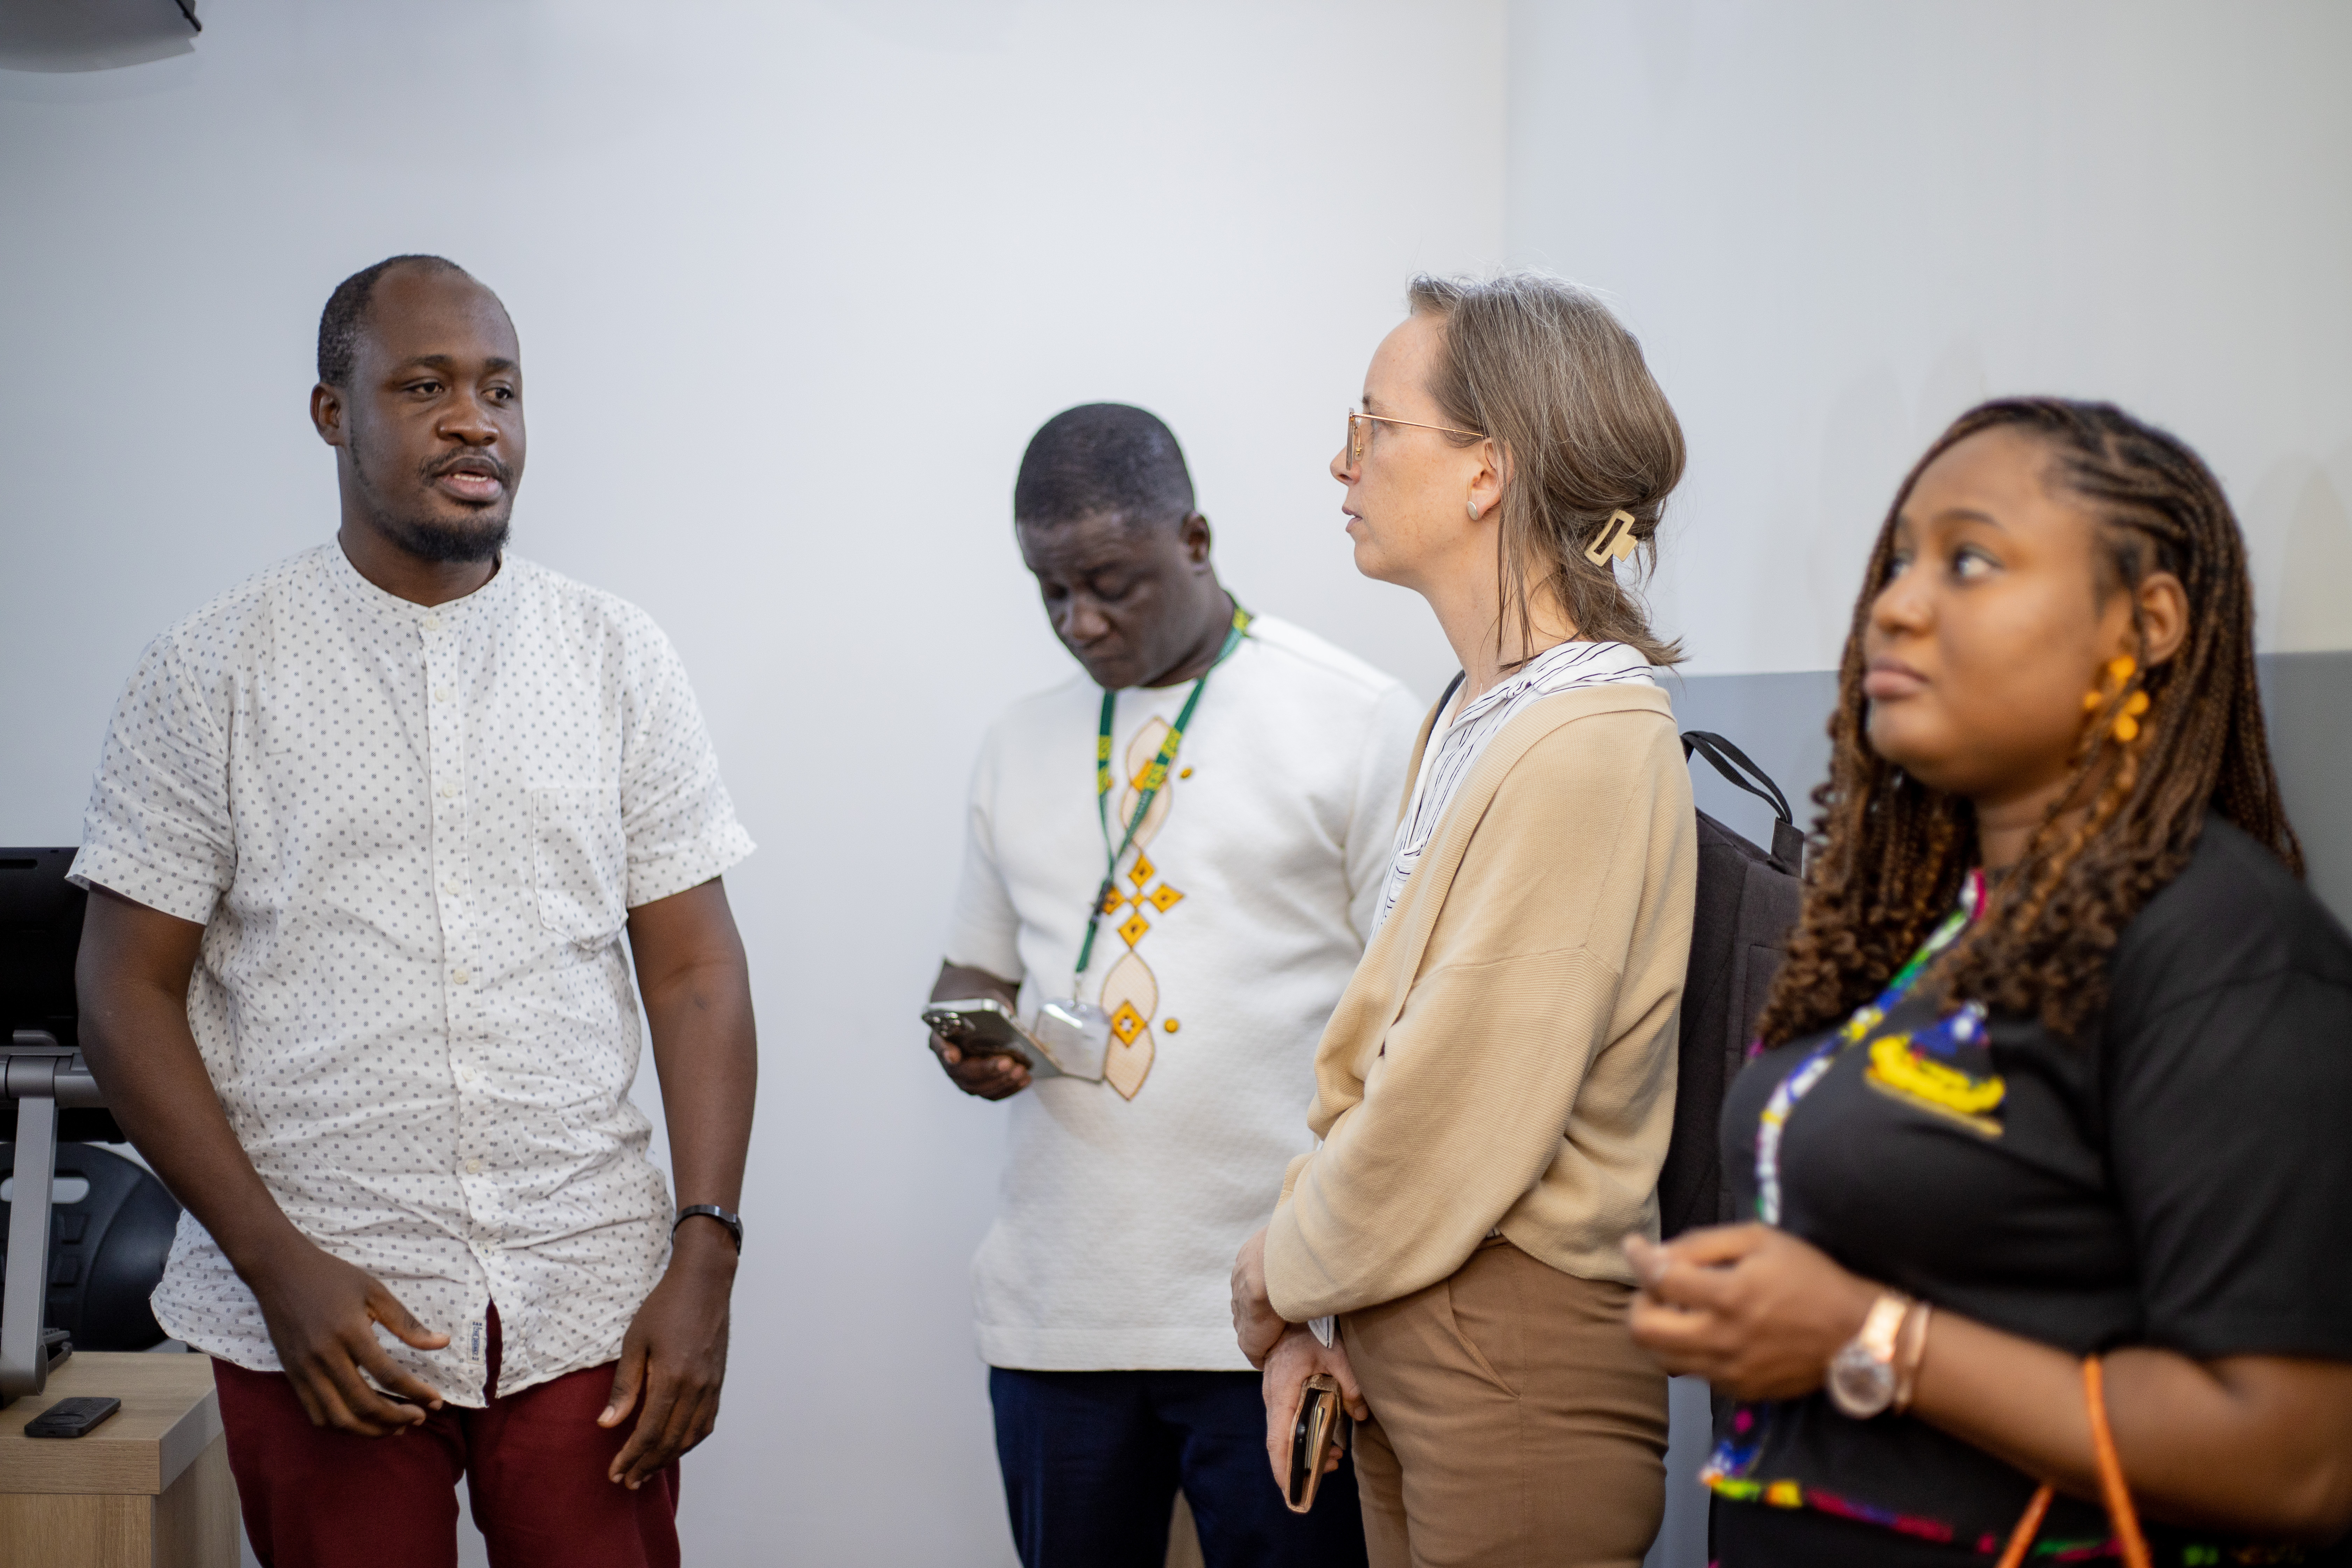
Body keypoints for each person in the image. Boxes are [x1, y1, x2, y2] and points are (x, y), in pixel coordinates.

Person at [70, 254, 758, 1568]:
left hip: (584, 1292)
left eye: (501, 390)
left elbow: (695, 974)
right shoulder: (207, 672)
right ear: (334, 413)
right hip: (323, 1309)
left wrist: (706, 1255)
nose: (475, 421)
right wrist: (275, 1267)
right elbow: (124, 993)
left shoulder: (618, 656)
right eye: (426, 386)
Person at [1625, 398, 2352, 1566]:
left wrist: (1866, 1336)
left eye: (1970, 560)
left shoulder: (2225, 952)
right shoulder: (1921, 932)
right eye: (1899, 562)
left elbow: (2298, 1458)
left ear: (2149, 621)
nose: (1898, 604)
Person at [1229, 272, 1698, 1567]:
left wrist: (1279, 1277)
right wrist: (1325, 1317)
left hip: (1514, 1357)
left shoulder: (1589, 739)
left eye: (1373, 426)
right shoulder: (1477, 710)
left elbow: (1455, 1102)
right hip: (1413, 1316)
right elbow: (1384, 1059)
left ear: (1487, 471)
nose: (1344, 461)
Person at [930, 402, 1419, 1568]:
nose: (1079, 621)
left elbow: (1413, 1029)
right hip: (1058, 1315)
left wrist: (1349, 1298)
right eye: (1050, 591)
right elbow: (971, 964)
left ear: (1195, 541)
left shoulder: (1354, 720)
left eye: (1110, 582)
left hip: (1278, 1312)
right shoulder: (1019, 741)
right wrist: (968, 1035)